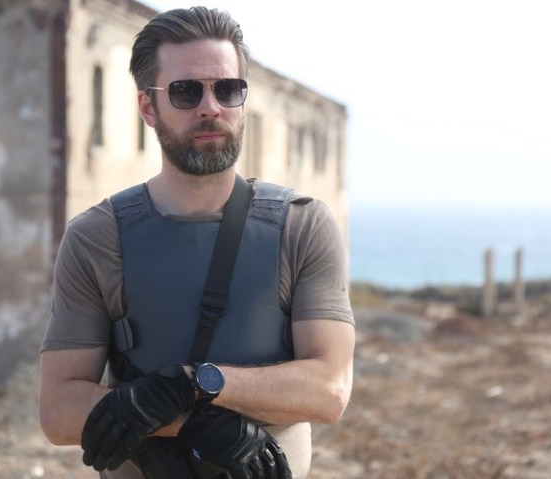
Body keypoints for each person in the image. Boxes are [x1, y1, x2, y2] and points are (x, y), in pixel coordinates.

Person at [38, 6, 355, 479]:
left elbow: (328, 390)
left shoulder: (300, 227)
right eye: (186, 91)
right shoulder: (97, 238)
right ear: (148, 107)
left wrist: (193, 384)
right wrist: (190, 423)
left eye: (227, 89)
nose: (211, 107)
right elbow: (59, 410)